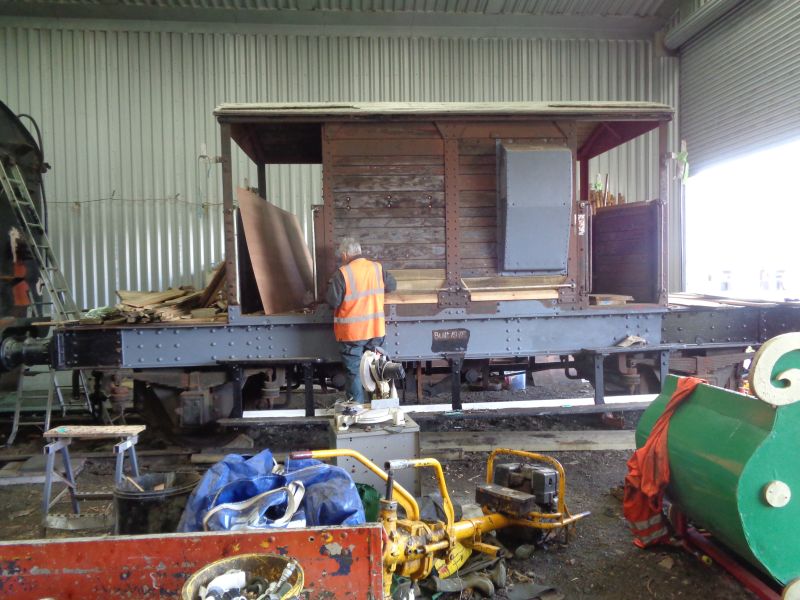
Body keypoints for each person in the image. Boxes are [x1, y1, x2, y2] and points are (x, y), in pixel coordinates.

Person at [326, 237, 396, 403]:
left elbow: (332, 301)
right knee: (376, 369)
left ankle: (356, 409)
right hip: (376, 330)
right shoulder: (377, 268)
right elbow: (392, 286)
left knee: (355, 372)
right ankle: (380, 405)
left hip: (353, 334)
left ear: (345, 254)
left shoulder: (343, 273)